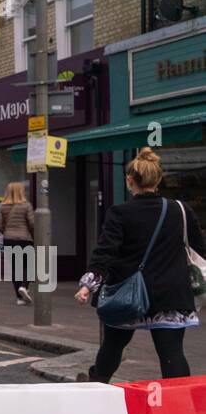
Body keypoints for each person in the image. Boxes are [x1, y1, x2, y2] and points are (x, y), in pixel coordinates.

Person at [76, 147, 202, 383]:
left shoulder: (120, 213)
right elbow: (198, 251)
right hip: (171, 293)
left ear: (130, 180)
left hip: (126, 292)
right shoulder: (181, 210)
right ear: (158, 179)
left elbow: (105, 253)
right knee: (172, 353)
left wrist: (87, 285)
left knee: (113, 346)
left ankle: (96, 388)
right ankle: (179, 406)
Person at [0, 182, 35, 305]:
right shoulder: (26, 206)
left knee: (15, 268)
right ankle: (24, 286)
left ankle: (19, 298)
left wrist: (6, 232)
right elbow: (32, 224)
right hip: (24, 239)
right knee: (29, 266)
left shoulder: (2, 206)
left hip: (9, 240)